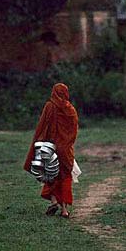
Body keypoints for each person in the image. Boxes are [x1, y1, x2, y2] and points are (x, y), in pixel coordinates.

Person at [24, 83, 78, 218]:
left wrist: (38, 143)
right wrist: (66, 144)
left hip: (50, 147)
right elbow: (74, 131)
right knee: (65, 177)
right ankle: (64, 210)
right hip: (65, 150)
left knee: (51, 174)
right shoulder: (71, 110)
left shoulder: (49, 106)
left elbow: (42, 126)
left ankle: (54, 202)